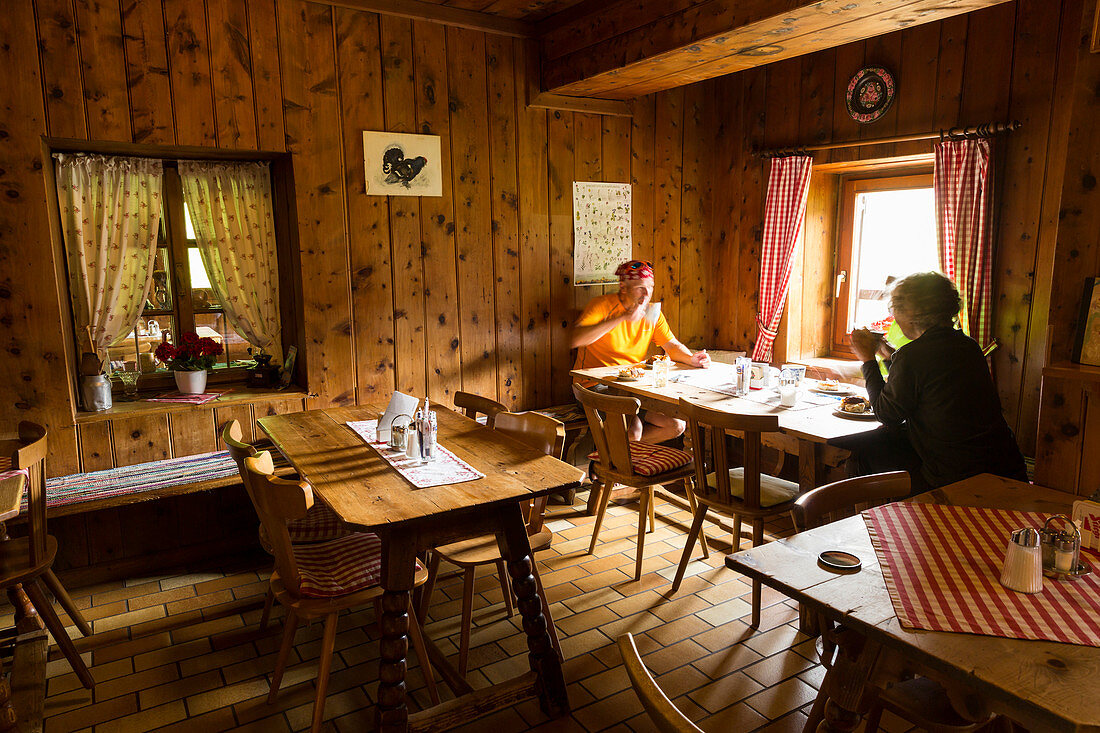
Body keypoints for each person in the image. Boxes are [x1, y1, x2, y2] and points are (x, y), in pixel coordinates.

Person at [847, 272, 1027, 490]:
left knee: (862, 456)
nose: (894, 316)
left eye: (895, 308)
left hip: (955, 475)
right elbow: (924, 380)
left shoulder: (913, 356)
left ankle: (885, 521)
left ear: (912, 313)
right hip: (1004, 466)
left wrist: (868, 360)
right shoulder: (968, 346)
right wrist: (888, 356)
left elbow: (885, 413)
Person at [572, 259, 711, 443]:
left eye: (650, 287)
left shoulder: (652, 313)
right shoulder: (602, 306)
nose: (647, 294)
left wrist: (692, 359)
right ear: (624, 287)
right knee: (633, 430)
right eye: (640, 287)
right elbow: (576, 339)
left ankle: (612, 457)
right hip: (592, 386)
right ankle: (616, 461)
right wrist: (623, 317)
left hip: (631, 387)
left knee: (676, 425)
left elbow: (671, 345)